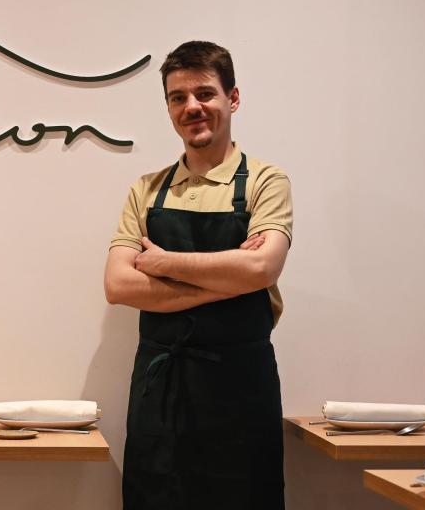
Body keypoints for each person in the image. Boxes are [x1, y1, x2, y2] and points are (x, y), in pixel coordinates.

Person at [104, 41, 292, 509]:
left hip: (241, 389)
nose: (192, 107)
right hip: (159, 390)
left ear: (233, 97)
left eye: (205, 93)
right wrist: (229, 278)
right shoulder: (145, 189)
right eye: (177, 97)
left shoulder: (267, 182)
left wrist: (164, 264)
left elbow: (263, 266)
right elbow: (119, 286)